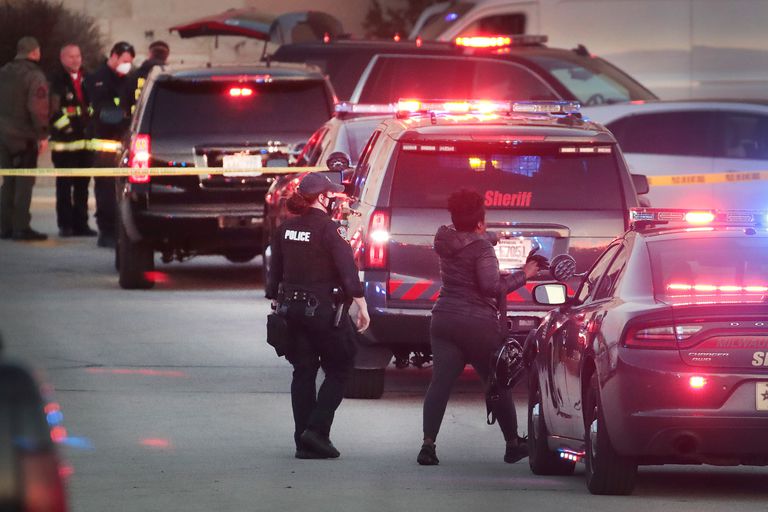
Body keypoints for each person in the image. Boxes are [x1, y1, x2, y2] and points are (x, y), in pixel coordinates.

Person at [417, 189, 547, 466]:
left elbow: (469, 247)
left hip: (444, 318)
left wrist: (490, 240)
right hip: (477, 323)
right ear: (479, 222)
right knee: (497, 383)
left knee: (439, 383)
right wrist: (526, 274)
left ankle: (428, 445)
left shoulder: (445, 239)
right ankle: (513, 444)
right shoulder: (481, 248)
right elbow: (490, 288)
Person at [265, 172, 370, 460]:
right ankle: (317, 431)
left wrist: (277, 304)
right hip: (323, 313)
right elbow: (348, 273)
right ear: (322, 198)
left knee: (303, 372)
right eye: (331, 195)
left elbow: (273, 278)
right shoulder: (330, 230)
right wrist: (361, 305)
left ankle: (303, 441)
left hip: (291, 312)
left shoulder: (285, 229)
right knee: (340, 367)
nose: (334, 200)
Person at [84, 41, 135, 248]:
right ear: (113, 56)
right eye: (124, 61)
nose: (127, 65)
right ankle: (106, 231)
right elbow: (103, 111)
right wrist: (124, 117)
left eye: (130, 62)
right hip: (106, 145)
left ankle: (123, 229)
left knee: (126, 190)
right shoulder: (97, 79)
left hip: (125, 144)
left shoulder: (130, 79)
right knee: (105, 190)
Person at [0, 36, 49, 241]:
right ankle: (21, 226)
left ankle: (5, 226)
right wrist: (43, 134)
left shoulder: (3, 72)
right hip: (24, 137)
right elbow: (37, 108)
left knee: (7, 181)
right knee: (24, 182)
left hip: (2, 136)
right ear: (34, 52)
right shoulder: (34, 76)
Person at [49, 43, 96, 237]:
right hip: (65, 143)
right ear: (62, 58)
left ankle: (81, 224)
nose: (76, 60)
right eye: (71, 57)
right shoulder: (56, 80)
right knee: (64, 186)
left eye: (78, 56)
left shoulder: (88, 78)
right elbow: (52, 110)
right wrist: (66, 128)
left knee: (82, 187)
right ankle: (65, 225)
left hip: (85, 142)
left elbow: (94, 104)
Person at [121, 40, 169, 116]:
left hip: (138, 121)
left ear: (150, 54)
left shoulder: (134, 76)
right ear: (167, 56)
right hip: (166, 120)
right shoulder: (172, 78)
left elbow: (124, 103)